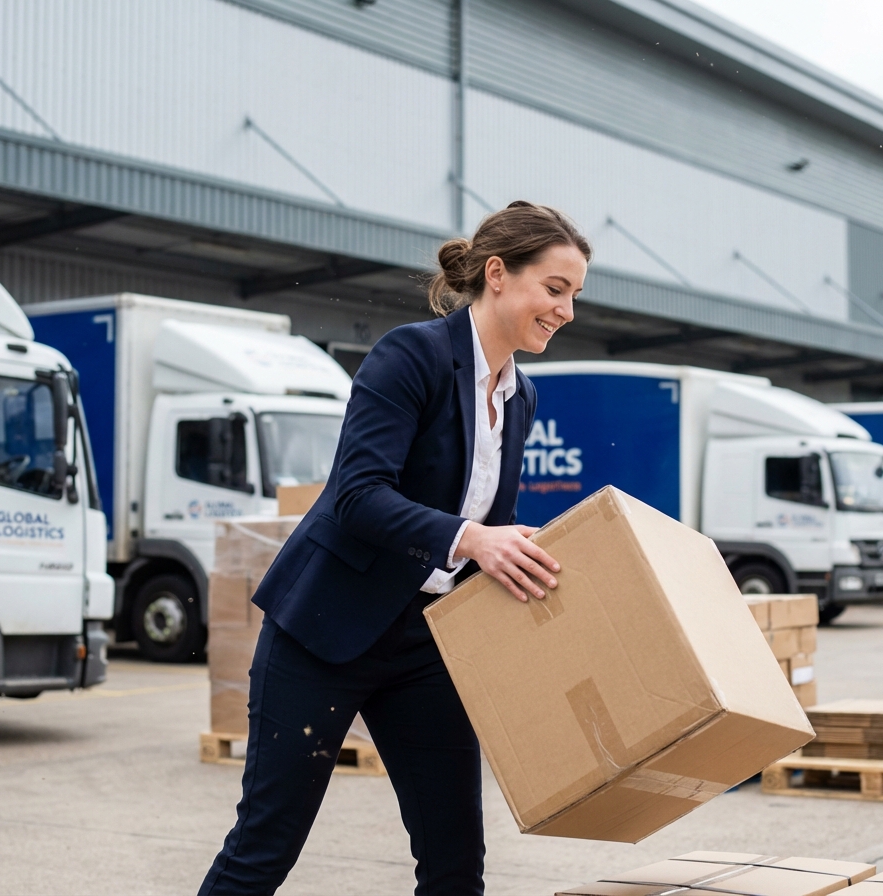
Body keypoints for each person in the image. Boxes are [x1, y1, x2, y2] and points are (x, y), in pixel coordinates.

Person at [199, 201, 592, 895]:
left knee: (454, 863)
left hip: (425, 646)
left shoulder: (520, 397)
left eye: (574, 296)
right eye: (555, 289)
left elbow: (490, 522)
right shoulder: (411, 356)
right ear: (497, 274)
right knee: (265, 848)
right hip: (325, 632)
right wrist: (472, 539)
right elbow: (357, 495)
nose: (566, 311)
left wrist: (514, 556)